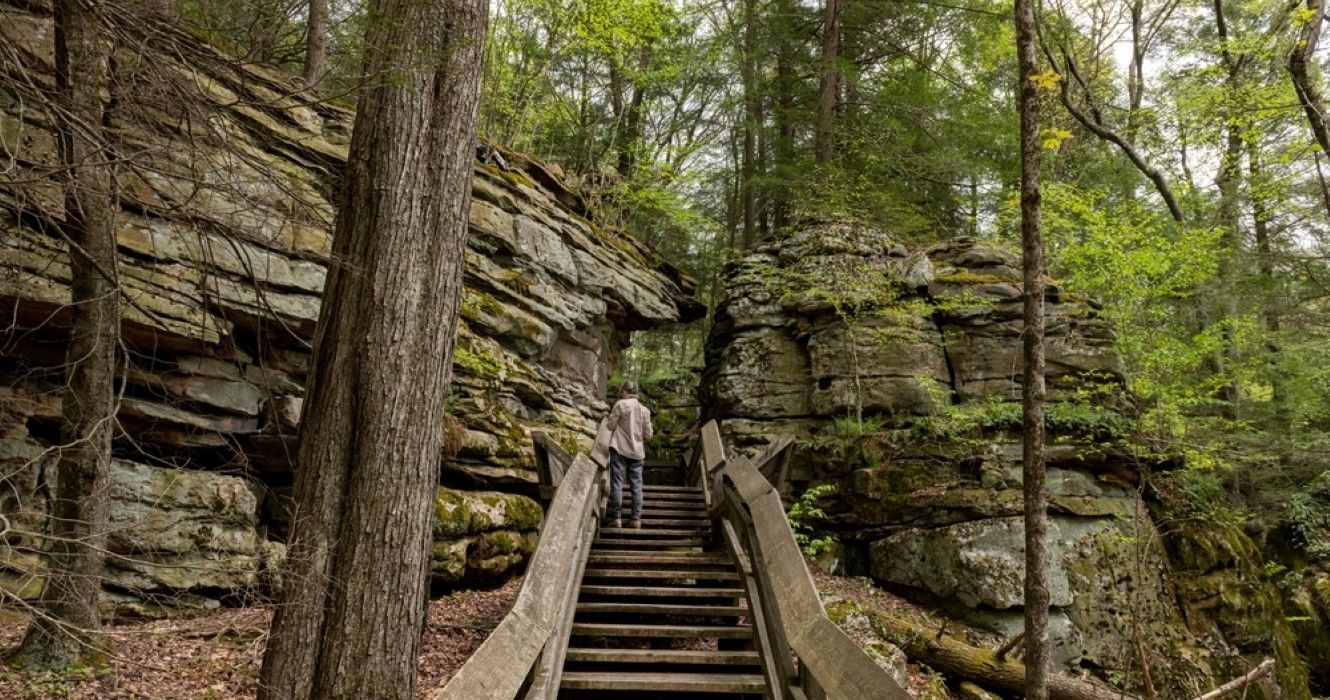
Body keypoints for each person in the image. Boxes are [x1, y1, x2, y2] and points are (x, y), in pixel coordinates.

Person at [604, 381, 652, 529]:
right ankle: (636, 519)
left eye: (622, 392)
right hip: (637, 452)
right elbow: (649, 434)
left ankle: (617, 518)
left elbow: (610, 426)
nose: (621, 394)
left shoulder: (620, 405)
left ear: (625, 391)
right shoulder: (645, 410)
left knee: (617, 482)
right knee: (637, 485)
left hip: (619, 448)